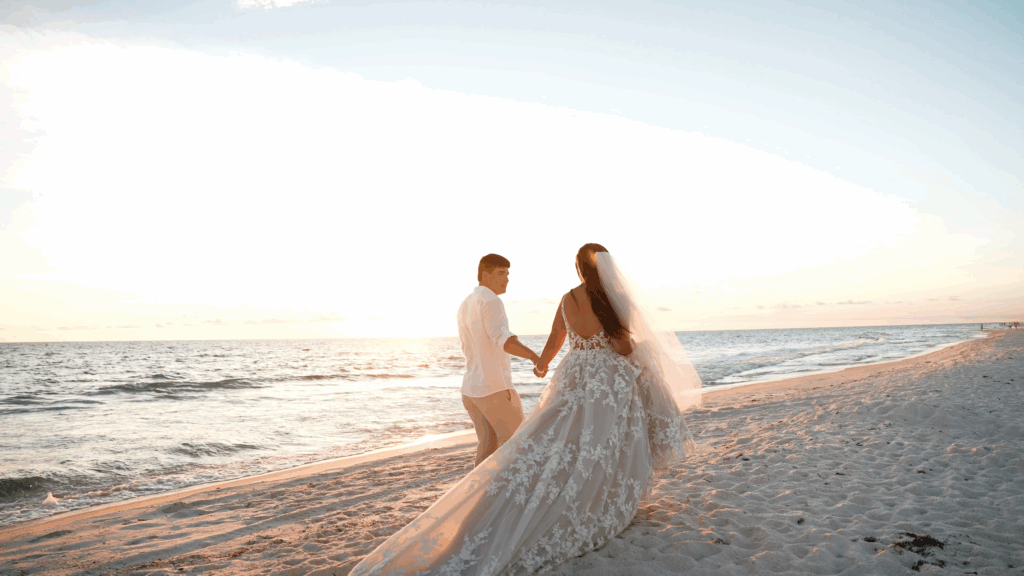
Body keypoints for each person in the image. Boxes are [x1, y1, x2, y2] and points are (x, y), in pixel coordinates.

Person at [350, 244, 701, 576]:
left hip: (561, 376)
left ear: (578, 268)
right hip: (603, 380)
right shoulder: (614, 298)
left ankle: (488, 503)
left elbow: (555, 339)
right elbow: (622, 346)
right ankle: (586, 499)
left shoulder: (565, 299)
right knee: (600, 444)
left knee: (545, 443)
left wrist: (543, 363)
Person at [457, 253, 542, 466]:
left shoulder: (465, 304)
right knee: (518, 448)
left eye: (508, 274)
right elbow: (502, 339)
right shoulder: (491, 301)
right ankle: (509, 499)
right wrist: (534, 357)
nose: (506, 279)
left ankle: (477, 497)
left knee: (487, 449)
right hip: (494, 389)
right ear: (485, 275)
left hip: (470, 390)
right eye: (500, 273)